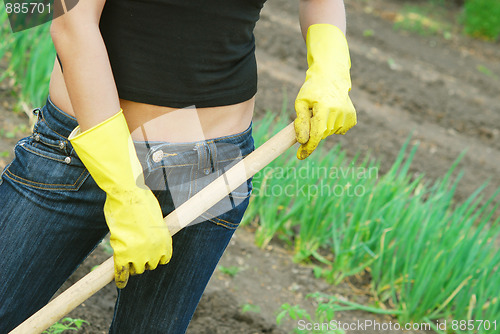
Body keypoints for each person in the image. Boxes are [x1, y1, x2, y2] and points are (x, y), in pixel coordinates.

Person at [0, 0, 356, 332]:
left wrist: (330, 65)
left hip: (208, 169)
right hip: (77, 155)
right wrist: (124, 185)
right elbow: (71, 22)